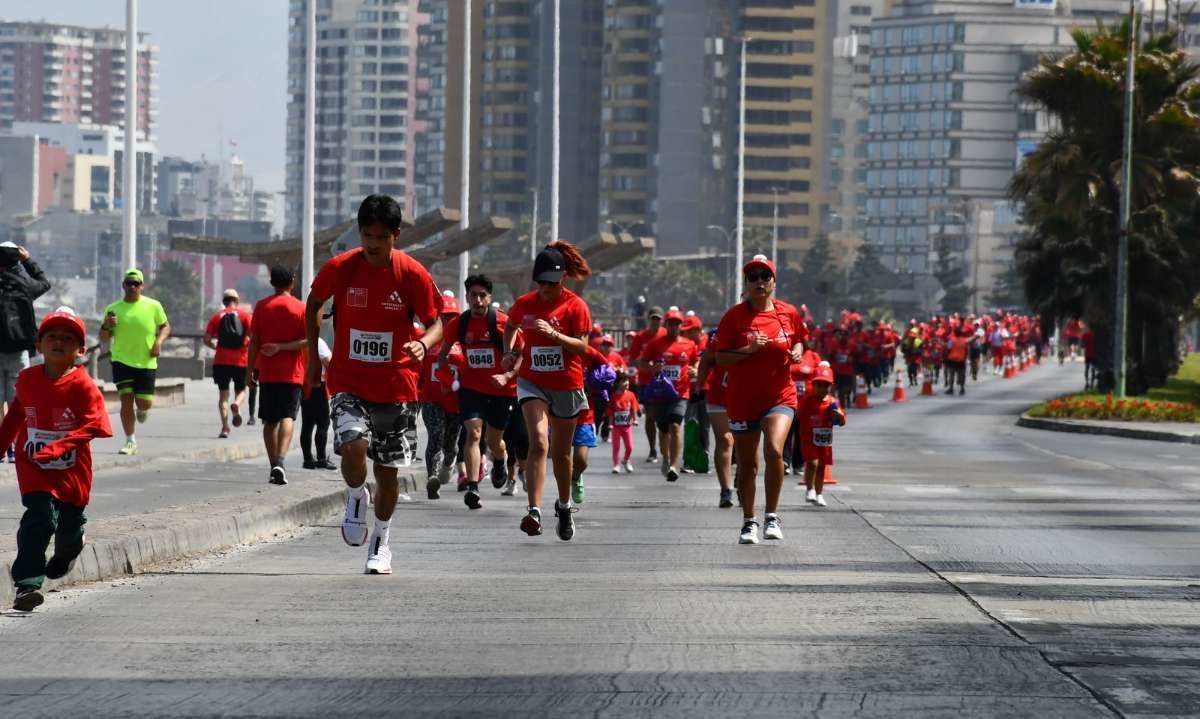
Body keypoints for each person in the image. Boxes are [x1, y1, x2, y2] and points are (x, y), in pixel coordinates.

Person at [307, 194, 443, 575]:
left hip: (397, 387)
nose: (371, 245)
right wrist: (309, 362)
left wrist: (424, 343)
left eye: (380, 237)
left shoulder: (412, 274)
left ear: (395, 236)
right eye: (366, 235)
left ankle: (381, 540)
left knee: (387, 473)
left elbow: (438, 324)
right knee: (352, 444)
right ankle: (354, 494)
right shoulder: (340, 268)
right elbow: (313, 303)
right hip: (349, 380)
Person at [0, 308, 112, 611]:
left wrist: (59, 447)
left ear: (81, 350)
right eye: (51, 337)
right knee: (40, 518)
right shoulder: (27, 379)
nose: (58, 342)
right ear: (39, 345)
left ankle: (68, 552)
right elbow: (17, 415)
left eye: (67, 338)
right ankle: (27, 585)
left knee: (68, 528)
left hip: (72, 470)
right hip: (34, 465)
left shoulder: (82, 384)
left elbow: (96, 424)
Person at [502, 241, 591, 541]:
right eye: (541, 283)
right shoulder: (525, 304)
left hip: (566, 384)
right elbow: (510, 326)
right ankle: (534, 511)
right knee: (538, 443)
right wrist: (508, 352)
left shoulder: (575, 306)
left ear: (563, 278)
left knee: (561, 454)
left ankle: (564, 506)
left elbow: (583, 346)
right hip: (532, 381)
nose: (546, 289)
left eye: (551, 283)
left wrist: (554, 335)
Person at [715, 255, 807, 545]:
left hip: (779, 396)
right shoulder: (734, 316)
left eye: (765, 276)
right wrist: (750, 349)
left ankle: (772, 516)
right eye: (753, 277)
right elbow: (721, 357)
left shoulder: (787, 313)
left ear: (773, 282)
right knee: (748, 464)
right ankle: (748, 521)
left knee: (774, 451)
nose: (759, 282)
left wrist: (798, 352)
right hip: (743, 400)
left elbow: (799, 339)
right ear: (746, 283)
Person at [439, 274, 520, 507]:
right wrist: (446, 377)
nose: (477, 300)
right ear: (467, 297)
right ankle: (473, 487)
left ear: (489, 298)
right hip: (471, 388)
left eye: (482, 295)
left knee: (495, 442)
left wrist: (507, 376)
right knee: (473, 434)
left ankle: (500, 460)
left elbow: (523, 353)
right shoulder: (459, 324)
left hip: (501, 390)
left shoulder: (502, 323)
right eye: (473, 295)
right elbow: (443, 356)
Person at [99, 269, 170, 456]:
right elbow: (103, 337)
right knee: (126, 400)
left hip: (146, 361)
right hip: (121, 360)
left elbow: (165, 326)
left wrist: (159, 342)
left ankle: (143, 410)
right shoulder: (113, 309)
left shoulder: (153, 305)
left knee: (144, 403)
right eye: (128, 283)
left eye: (136, 283)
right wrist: (107, 325)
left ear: (142, 286)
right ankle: (130, 440)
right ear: (123, 285)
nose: (132, 287)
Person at [246, 266, 307, 485]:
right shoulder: (301, 307)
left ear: (272, 282)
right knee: (288, 417)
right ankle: (281, 461)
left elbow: (254, 342)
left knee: (269, 422)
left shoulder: (262, 307)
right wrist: (283, 347)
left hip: (268, 373)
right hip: (293, 373)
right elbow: (307, 340)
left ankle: (274, 465)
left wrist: (249, 370)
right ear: (292, 281)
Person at [0, 242, 52, 463]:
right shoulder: (24, 284)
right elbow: (44, 283)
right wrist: (28, 260)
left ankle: (1, 448)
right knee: (17, 401)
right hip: (19, 348)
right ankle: (15, 448)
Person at [637, 307, 699, 482]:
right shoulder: (655, 343)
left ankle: (674, 465)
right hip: (660, 393)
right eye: (670, 324)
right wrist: (652, 368)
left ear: (680, 326)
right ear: (666, 324)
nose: (673, 327)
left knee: (676, 425)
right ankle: (665, 457)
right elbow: (642, 363)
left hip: (680, 393)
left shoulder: (689, 344)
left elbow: (696, 362)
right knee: (663, 430)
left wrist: (695, 369)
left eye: (676, 324)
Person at [421, 294, 465, 499]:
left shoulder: (463, 344)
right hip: (431, 400)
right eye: (444, 316)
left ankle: (449, 462)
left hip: (455, 404)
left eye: (452, 316)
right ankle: (433, 478)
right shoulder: (426, 340)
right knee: (435, 437)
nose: (448, 321)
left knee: (450, 445)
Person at [204, 289, 253, 438]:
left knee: (223, 396)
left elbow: (207, 339)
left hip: (221, 361)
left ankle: (225, 427)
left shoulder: (216, 317)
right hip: (240, 361)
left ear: (224, 302)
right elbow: (253, 337)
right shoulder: (245, 316)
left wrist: (216, 347)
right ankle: (237, 404)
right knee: (241, 391)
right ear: (237, 301)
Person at [798, 363, 845, 508]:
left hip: (824, 441)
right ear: (813, 385)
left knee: (821, 467)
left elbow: (841, 421)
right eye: (819, 385)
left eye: (826, 385)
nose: (822, 389)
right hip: (808, 438)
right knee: (812, 463)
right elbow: (799, 416)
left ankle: (819, 494)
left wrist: (838, 416)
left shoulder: (832, 402)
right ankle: (809, 490)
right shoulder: (807, 400)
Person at [697, 333, 735, 509]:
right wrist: (699, 384)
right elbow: (706, 359)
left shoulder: (759, 334)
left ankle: (743, 480)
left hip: (746, 397)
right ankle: (726, 490)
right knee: (725, 439)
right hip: (719, 395)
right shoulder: (721, 336)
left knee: (744, 443)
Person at [630, 307, 665, 462]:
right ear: (648, 319)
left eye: (658, 319)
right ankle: (652, 449)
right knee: (650, 417)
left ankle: (666, 449)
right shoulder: (640, 337)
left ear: (662, 320)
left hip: (665, 382)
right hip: (646, 382)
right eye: (653, 319)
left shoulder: (665, 334)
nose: (655, 322)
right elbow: (632, 359)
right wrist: (647, 364)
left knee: (665, 418)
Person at [300, 334, 335, 470]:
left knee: (307, 424)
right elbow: (328, 362)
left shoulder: (299, 342)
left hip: (304, 385)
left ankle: (307, 459)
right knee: (323, 423)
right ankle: (321, 459)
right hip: (318, 384)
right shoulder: (317, 341)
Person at [606, 375, 639, 473]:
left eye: (628, 381)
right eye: (624, 381)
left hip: (627, 426)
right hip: (616, 427)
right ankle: (616, 465)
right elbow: (610, 412)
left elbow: (633, 409)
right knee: (616, 447)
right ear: (618, 383)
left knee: (629, 447)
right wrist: (610, 424)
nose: (627, 383)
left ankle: (625, 460)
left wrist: (635, 419)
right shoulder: (613, 397)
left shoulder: (631, 395)